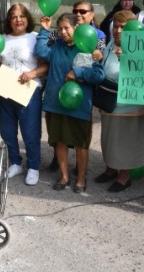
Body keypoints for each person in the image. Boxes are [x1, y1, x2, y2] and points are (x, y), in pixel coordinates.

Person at [35, 13, 105, 193]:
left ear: (76, 28)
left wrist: (78, 73)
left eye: (67, 28)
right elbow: (40, 51)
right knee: (60, 141)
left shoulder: (88, 48)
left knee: (81, 144)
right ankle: (64, 176)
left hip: (79, 105)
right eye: (60, 29)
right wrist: (44, 30)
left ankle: (81, 179)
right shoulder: (56, 47)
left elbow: (99, 75)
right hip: (55, 103)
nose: (63, 32)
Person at [95, 10, 144, 192]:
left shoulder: (142, 48)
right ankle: (111, 168)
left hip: (130, 106)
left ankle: (124, 176)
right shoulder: (109, 44)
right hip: (109, 101)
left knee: (127, 140)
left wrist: (128, 60)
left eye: (124, 27)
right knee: (109, 138)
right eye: (116, 26)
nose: (119, 30)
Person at [0, 4, 47, 186]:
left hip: (29, 90)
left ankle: (33, 167)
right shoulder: (1, 39)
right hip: (5, 90)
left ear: (28, 19)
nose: (18, 20)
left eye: (22, 16)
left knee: (30, 132)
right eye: (14, 17)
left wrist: (32, 73)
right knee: (7, 131)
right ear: (9, 21)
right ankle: (15, 163)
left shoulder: (35, 38)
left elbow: (48, 63)